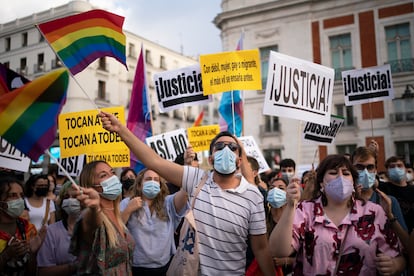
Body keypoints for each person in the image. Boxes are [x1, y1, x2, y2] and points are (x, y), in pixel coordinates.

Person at [99, 111, 275, 275]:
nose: (226, 150)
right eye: (220, 146)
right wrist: (121, 130)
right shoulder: (197, 179)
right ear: (211, 158)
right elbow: (154, 160)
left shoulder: (253, 195)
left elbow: (261, 249)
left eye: (232, 147)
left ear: (239, 159)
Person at [269, 154, 406, 275]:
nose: (340, 177)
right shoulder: (305, 210)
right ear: (322, 182)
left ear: (353, 181)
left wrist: (394, 265)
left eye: (346, 173)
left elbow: (399, 257)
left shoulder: (374, 212)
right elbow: (278, 250)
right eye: (334, 172)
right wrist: (291, 206)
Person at [69, 160, 134, 275]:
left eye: (112, 172)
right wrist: (94, 209)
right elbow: (91, 223)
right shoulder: (90, 216)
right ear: (91, 186)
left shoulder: (117, 214)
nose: (112, 177)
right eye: (103, 175)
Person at [120, 168, 188, 275]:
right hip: (136, 267)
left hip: (164, 266)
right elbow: (116, 230)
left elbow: (185, 193)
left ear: (160, 186)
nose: (152, 182)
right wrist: (128, 210)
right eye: (148, 179)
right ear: (139, 185)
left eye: (156, 180)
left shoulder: (168, 203)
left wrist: (187, 165)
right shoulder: (126, 203)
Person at [351, 146, 409, 249]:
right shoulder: (344, 201)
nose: (365, 172)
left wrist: (390, 216)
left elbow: (407, 244)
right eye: (359, 167)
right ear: (351, 169)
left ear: (376, 170)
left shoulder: (389, 201)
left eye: (370, 167)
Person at [0, 175, 46, 275]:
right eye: (13, 195)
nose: (19, 200)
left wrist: (32, 254)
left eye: (21, 195)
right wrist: (6, 255)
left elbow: (32, 272)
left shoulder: (28, 229)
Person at [37, 181, 79, 276]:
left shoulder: (97, 228)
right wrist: (73, 267)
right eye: (67, 197)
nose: (71, 200)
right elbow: (43, 272)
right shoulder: (51, 231)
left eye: (75, 197)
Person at [266, 175, 294, 275]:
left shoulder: (296, 218)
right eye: (272, 188)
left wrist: (288, 260)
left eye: (281, 188)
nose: (275, 191)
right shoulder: (262, 217)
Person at [379, 156, 414, 233]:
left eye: (399, 165)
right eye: (392, 167)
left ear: (405, 169)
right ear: (387, 171)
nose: (396, 169)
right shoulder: (383, 188)